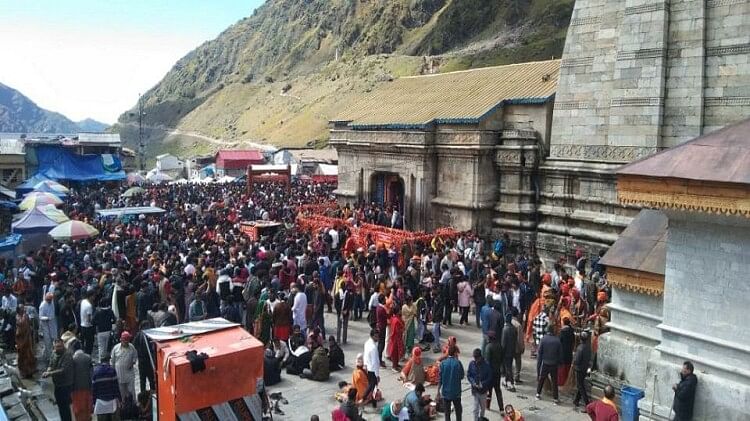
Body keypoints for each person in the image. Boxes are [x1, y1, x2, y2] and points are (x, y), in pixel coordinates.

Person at [43, 339, 75, 421]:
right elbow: (51, 364)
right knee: (60, 405)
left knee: (65, 407)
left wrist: (50, 373)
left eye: (60, 346)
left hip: (66, 384)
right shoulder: (54, 353)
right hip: (57, 384)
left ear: (63, 345)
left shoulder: (67, 355)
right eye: (57, 347)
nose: (58, 348)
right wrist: (48, 370)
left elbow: (63, 370)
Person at [536, 326, 562, 404]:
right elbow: (560, 354)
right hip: (554, 364)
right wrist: (560, 363)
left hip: (545, 362)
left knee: (542, 378)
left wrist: (539, 364)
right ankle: (555, 398)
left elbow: (539, 352)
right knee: (554, 381)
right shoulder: (557, 340)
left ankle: (538, 393)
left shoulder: (543, 339)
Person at [92, 353, 121, 421]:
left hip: (100, 402)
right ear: (108, 360)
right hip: (111, 402)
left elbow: (94, 389)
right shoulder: (112, 371)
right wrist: (120, 399)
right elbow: (116, 387)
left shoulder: (95, 372)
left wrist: (93, 402)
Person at [439, 344, 464, 421]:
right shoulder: (458, 363)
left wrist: (438, 391)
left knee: (447, 414)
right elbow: (462, 376)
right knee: (458, 412)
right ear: (455, 353)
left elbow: (440, 379)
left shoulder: (443, 363)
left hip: (446, 392)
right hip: (456, 392)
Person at [111, 330, 138, 401]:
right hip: (119, 375)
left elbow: (135, 357)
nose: (127, 342)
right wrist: (112, 372)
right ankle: (123, 408)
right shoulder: (116, 348)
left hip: (129, 375)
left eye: (128, 340)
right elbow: (112, 361)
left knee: (131, 392)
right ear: (121, 340)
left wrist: (132, 363)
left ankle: (133, 406)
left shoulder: (132, 347)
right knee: (121, 394)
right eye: (125, 340)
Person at [467, 348, 492, 421]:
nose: (475, 360)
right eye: (474, 358)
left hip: (483, 391)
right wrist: (473, 382)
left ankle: (481, 419)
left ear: (480, 357)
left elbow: (489, 377)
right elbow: (469, 375)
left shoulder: (486, 365)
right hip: (475, 390)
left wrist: (482, 384)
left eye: (476, 358)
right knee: (475, 408)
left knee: (483, 408)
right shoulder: (471, 364)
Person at [71, 341, 93, 421]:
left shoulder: (73, 359)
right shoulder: (88, 357)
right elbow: (91, 373)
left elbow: (71, 374)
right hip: (87, 386)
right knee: (87, 406)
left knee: (78, 408)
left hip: (76, 388)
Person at [15, 305, 36, 378]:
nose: (23, 309)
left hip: (27, 338)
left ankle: (30, 371)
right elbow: (21, 324)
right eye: (22, 308)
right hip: (21, 339)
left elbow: (29, 324)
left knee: (29, 355)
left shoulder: (25, 315)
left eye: (23, 308)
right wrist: (24, 315)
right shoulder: (18, 317)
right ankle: (23, 373)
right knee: (22, 356)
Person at [484, 331, 504, 411]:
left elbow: (487, 361)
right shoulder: (499, 346)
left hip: (490, 372)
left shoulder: (489, 347)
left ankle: (487, 405)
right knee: (498, 390)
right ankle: (501, 408)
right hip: (497, 371)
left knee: (489, 390)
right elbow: (502, 358)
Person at [573, 330, 592, 410]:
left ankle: (587, 403)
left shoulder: (580, 348)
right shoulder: (588, 347)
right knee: (580, 384)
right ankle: (576, 400)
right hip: (585, 368)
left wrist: (574, 358)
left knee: (580, 386)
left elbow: (577, 360)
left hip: (579, 368)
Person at [93, 298, 116, 363]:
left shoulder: (98, 311)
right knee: (107, 346)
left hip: (100, 331)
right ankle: (107, 360)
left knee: (101, 347)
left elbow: (93, 321)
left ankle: (101, 360)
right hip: (108, 330)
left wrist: (98, 323)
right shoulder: (110, 311)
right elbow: (114, 320)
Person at [363, 329, 381, 407]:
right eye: (376, 336)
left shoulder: (367, 343)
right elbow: (375, 363)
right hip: (373, 370)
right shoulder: (373, 347)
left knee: (371, 386)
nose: (378, 338)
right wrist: (377, 375)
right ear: (372, 336)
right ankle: (372, 402)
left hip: (368, 368)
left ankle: (367, 399)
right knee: (373, 388)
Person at [500, 313, 517, 392]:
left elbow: (503, 343)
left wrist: (501, 352)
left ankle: (511, 384)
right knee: (509, 366)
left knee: (508, 368)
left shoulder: (505, 329)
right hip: (512, 351)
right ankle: (506, 381)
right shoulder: (514, 328)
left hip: (506, 352)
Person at [39, 292, 57, 362]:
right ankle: (49, 357)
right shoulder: (42, 305)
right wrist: (47, 318)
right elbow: (40, 317)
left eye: (51, 299)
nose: (50, 301)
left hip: (52, 323)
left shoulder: (51, 302)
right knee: (48, 342)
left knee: (54, 339)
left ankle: (49, 354)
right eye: (49, 300)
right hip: (45, 325)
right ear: (46, 299)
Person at [79, 290, 95, 355]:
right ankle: (88, 357)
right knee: (89, 345)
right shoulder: (89, 306)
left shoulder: (83, 301)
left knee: (83, 343)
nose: (94, 298)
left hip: (82, 325)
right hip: (88, 327)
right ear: (90, 296)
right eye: (93, 296)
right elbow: (89, 319)